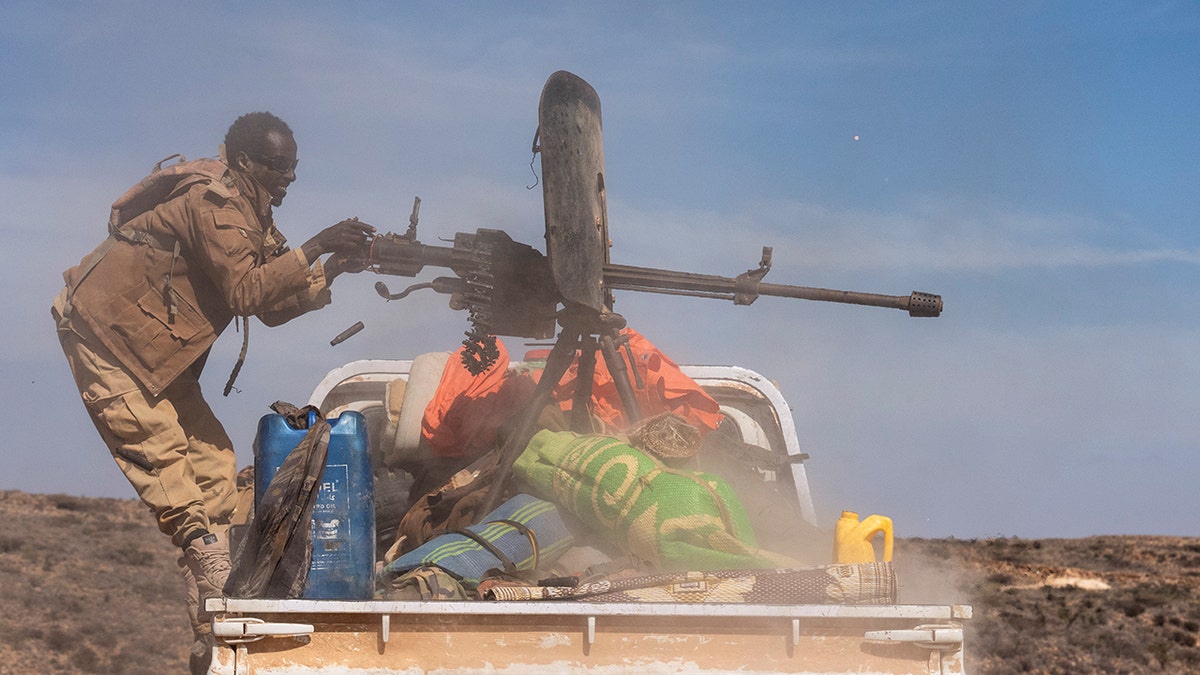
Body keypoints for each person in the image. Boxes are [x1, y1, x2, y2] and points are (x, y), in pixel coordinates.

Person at [50, 111, 375, 671]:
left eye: (293, 166)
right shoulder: (214, 203)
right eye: (278, 165)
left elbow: (271, 306)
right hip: (104, 338)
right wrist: (317, 244)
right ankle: (211, 576)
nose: (290, 177)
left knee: (215, 465)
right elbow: (247, 292)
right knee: (160, 453)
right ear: (245, 161)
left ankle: (218, 608)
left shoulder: (253, 214)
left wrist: (333, 269)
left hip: (160, 358)